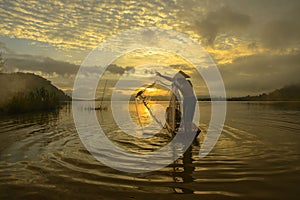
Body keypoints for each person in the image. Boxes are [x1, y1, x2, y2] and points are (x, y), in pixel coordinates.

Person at [156, 70, 197, 134]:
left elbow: (185, 89)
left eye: (178, 78)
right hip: (186, 100)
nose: (176, 79)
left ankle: (188, 132)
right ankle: (186, 131)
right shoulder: (179, 82)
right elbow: (171, 79)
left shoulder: (187, 83)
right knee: (185, 116)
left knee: (188, 117)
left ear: (182, 78)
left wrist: (176, 84)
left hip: (191, 100)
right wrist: (161, 75)